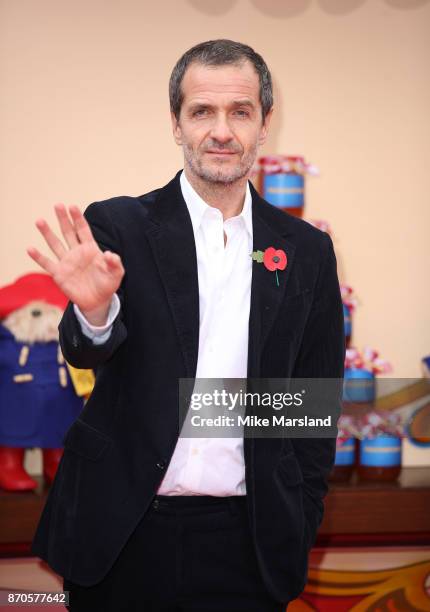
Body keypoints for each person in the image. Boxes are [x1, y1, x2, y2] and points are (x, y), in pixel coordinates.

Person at [28, 39, 345, 612]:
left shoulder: (307, 251)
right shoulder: (119, 224)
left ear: (264, 124)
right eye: (202, 111)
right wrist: (95, 312)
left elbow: (309, 409)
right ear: (176, 123)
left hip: (249, 544)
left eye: (240, 112)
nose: (221, 131)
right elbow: (84, 352)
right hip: (123, 534)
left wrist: (301, 516)